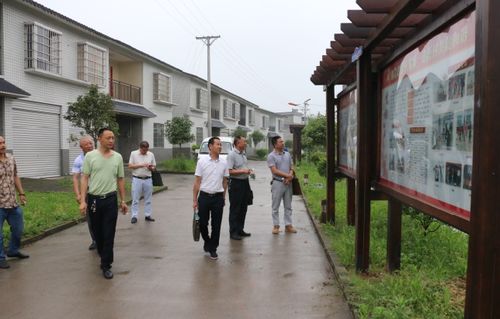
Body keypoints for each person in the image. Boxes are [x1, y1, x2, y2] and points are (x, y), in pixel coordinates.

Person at [79, 128, 128, 279]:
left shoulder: (118, 157)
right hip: (94, 200)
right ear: (99, 139)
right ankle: (102, 252)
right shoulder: (90, 156)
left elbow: (120, 179)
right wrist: (82, 200)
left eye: (113, 138)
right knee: (97, 232)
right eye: (108, 138)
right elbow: (85, 178)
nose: (111, 141)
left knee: (109, 233)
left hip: (110, 200)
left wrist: (123, 200)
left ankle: (106, 264)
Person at [192, 136, 229, 260]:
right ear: (210, 146)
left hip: (218, 197)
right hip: (204, 197)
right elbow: (197, 181)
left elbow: (225, 181)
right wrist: (194, 200)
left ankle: (213, 248)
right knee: (202, 223)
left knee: (216, 225)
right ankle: (207, 241)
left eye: (220, 145)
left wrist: (223, 197)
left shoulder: (224, 162)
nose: (220, 147)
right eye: (217, 144)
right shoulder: (202, 161)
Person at [0, 136, 29, 269]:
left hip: (12, 203)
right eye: (0, 143)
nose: (2, 145)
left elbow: (15, 176)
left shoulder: (11, 158)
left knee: (18, 229)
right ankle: (0, 257)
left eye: (3, 142)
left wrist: (21, 193)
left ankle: (12, 250)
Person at [267, 136, 297, 234]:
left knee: (288, 205)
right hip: (278, 183)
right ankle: (276, 226)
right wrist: (287, 176)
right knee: (275, 206)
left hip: (288, 183)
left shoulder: (287, 154)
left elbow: (292, 167)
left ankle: (288, 225)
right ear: (275, 144)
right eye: (281, 142)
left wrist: (290, 176)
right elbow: (274, 170)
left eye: (283, 141)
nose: (283, 143)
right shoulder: (271, 156)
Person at [71, 136, 96, 250]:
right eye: (87, 144)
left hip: (100, 191)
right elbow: (76, 178)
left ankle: (104, 238)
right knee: (90, 217)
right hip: (87, 192)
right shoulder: (79, 160)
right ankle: (95, 240)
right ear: (81, 147)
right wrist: (78, 195)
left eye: (91, 143)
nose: (90, 146)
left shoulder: (99, 156)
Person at [227, 136, 252, 240]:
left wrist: (248, 171)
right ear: (238, 143)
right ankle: (233, 232)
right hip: (236, 184)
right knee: (235, 208)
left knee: (243, 207)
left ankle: (240, 229)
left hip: (245, 182)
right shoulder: (231, 155)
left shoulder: (243, 154)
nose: (246, 143)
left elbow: (242, 168)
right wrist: (243, 171)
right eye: (244, 142)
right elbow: (229, 171)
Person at [128, 141, 156, 224]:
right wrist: (142, 165)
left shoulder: (151, 154)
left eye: (146, 150)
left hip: (148, 178)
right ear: (140, 148)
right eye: (143, 150)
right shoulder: (133, 153)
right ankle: (134, 216)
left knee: (148, 198)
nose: (145, 152)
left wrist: (151, 167)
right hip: (137, 179)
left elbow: (154, 167)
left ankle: (148, 215)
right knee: (135, 198)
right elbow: (130, 166)